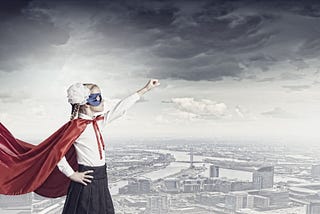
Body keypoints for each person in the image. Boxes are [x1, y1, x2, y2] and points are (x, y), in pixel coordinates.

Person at [0, 79, 160, 214]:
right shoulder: (77, 126)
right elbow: (56, 152)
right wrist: (71, 175)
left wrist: (145, 89)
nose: (103, 101)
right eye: (98, 97)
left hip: (100, 178)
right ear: (86, 103)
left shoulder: (96, 123)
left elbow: (119, 109)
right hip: (87, 179)